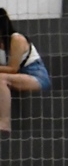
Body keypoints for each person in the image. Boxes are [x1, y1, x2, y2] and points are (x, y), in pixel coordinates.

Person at [0, 7, 52, 137]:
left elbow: (13, 69)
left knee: (1, 79)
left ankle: (5, 122)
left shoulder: (16, 39)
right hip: (18, 77)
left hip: (35, 76)